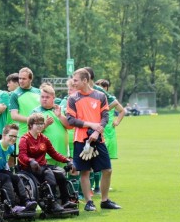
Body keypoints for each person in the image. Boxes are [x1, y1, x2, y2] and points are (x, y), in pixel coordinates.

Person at [66, 68, 121, 212]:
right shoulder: (73, 98)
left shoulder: (100, 96)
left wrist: (97, 131)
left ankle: (104, 200)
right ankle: (89, 202)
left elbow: (105, 116)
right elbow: (71, 119)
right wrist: (90, 124)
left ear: (85, 80)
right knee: (84, 172)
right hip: (81, 139)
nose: (74, 82)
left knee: (107, 170)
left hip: (98, 139)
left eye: (76, 80)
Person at [18, 113, 76, 212]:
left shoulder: (44, 139)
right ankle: (52, 203)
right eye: (37, 124)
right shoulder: (25, 139)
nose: (40, 126)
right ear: (31, 125)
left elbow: (54, 153)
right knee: (50, 176)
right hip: (29, 168)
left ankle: (65, 200)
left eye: (42, 123)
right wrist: (31, 160)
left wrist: (67, 160)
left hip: (42, 166)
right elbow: (22, 156)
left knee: (61, 175)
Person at [95, 79, 125, 194]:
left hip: (109, 132)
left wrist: (117, 121)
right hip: (99, 130)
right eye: (98, 86)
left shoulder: (111, 100)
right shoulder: (96, 99)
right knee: (97, 158)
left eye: (103, 87)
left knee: (106, 160)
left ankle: (104, 185)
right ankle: (96, 186)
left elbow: (122, 111)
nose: (100, 88)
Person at [32, 83, 72, 166]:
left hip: (61, 153)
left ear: (53, 98)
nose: (44, 99)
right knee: (48, 178)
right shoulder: (36, 112)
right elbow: (32, 132)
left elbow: (69, 126)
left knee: (61, 178)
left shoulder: (58, 110)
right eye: (42, 97)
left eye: (47, 97)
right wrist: (45, 124)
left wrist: (60, 115)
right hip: (45, 155)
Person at [9, 67, 40, 146]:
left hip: (39, 132)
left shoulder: (38, 92)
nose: (21, 81)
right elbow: (14, 116)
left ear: (30, 79)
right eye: (20, 78)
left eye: (24, 79)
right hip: (23, 133)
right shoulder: (15, 94)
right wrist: (32, 121)